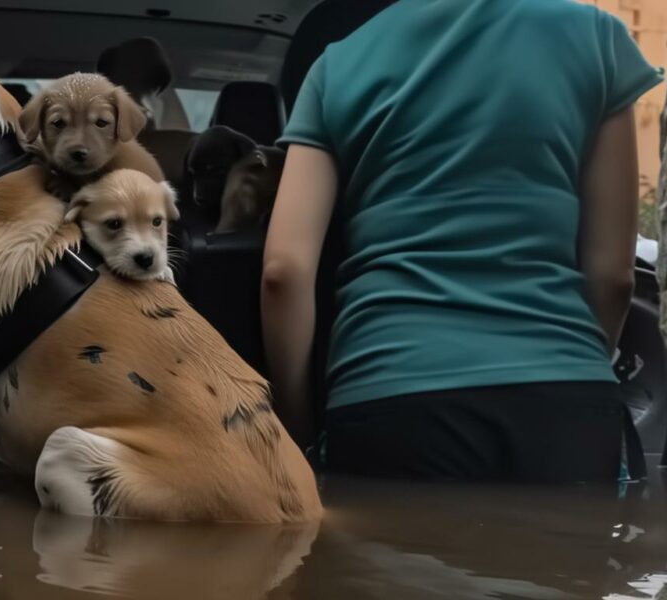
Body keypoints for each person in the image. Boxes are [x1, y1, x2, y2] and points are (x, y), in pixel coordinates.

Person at [260, 0, 663, 482]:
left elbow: (284, 271)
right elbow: (612, 275)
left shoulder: (336, 65)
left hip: (387, 393)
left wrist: (298, 426)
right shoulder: (597, 37)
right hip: (562, 393)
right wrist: (571, 366)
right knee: (560, 556)